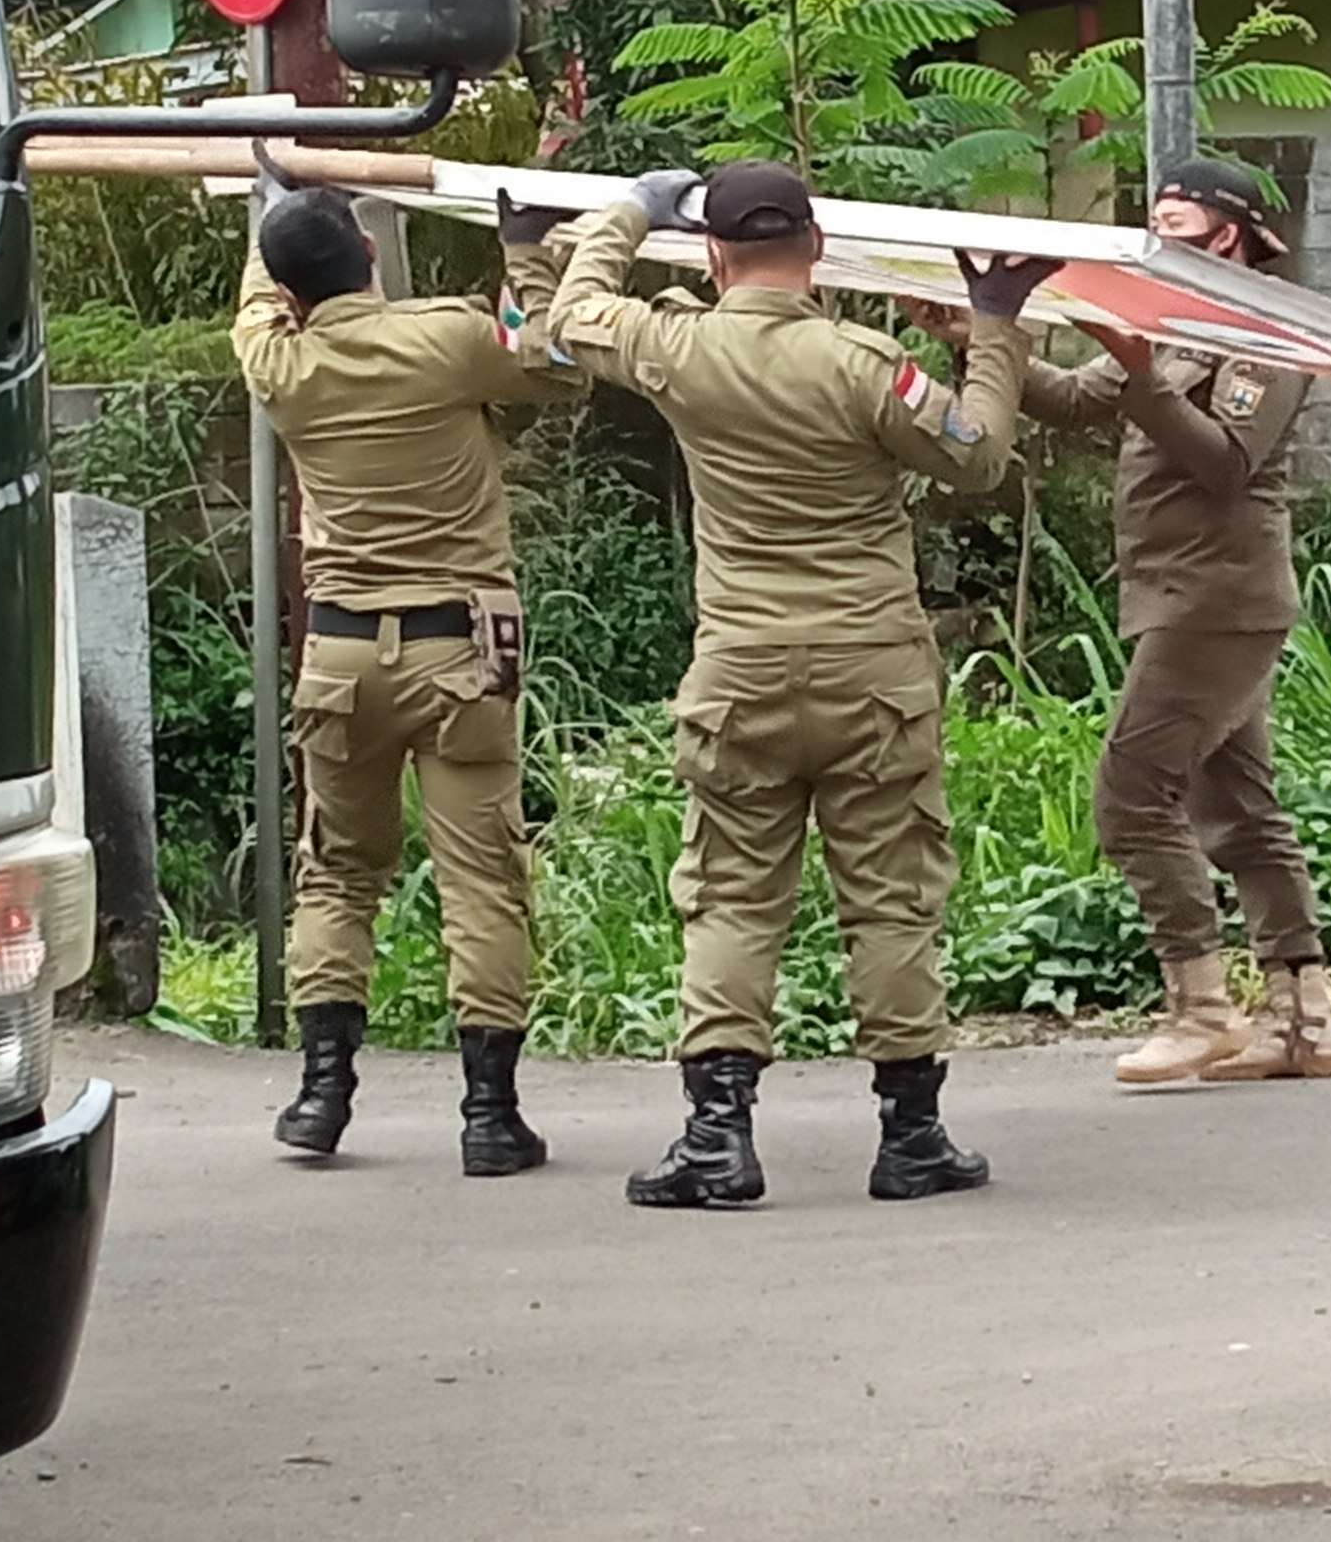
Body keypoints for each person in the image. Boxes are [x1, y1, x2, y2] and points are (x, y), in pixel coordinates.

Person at [536, 159, 1050, 1208]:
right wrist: (993, 324)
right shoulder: (864, 365)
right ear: (815, 249)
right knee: (892, 904)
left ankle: (717, 1137)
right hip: (873, 673)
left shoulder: (677, 348)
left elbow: (573, 311)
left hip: (743, 673)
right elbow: (979, 456)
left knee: (730, 899)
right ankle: (912, 1136)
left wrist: (630, 210)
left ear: (715, 255)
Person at [233, 184, 586, 1175]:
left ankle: (321, 1094)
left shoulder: (279, 363)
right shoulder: (445, 339)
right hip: (462, 652)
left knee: (337, 871)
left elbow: (259, 296)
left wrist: (273, 203)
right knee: (483, 877)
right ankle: (488, 1114)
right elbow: (554, 367)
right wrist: (524, 255)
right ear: (368, 254)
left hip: (340, 656)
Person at [1015, 160, 1331, 1086]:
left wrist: (1138, 373)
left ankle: (1201, 1008)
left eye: (1178, 226)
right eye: (1153, 223)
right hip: (1180, 597)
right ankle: (1304, 1022)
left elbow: (1225, 464)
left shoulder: (1265, 334)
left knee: (1131, 795)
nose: (1160, 241)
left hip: (1215, 603)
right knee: (1239, 810)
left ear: (1228, 236)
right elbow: (1083, 400)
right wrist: (983, 341)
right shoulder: (1170, 322)